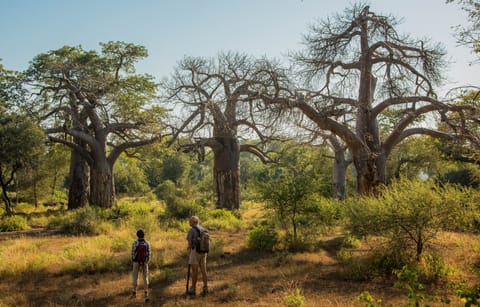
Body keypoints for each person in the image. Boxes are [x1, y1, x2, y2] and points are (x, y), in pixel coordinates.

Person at [186, 216, 208, 296]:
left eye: (190, 221)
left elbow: (189, 242)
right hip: (204, 252)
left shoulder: (192, 230)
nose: (189, 222)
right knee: (203, 270)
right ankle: (205, 288)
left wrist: (189, 247)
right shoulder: (203, 229)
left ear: (194, 221)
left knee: (194, 271)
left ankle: (193, 289)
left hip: (195, 251)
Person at [131, 229, 151, 300]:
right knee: (145, 277)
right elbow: (149, 253)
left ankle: (134, 293)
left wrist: (133, 261)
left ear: (137, 235)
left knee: (135, 277)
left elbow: (133, 253)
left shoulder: (135, 242)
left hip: (136, 262)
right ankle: (146, 292)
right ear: (144, 235)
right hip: (144, 262)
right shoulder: (147, 243)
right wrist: (147, 261)